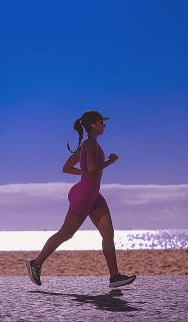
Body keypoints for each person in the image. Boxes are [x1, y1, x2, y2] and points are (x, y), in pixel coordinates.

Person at [26, 110, 136, 288]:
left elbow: (67, 167)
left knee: (108, 234)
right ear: (93, 124)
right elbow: (92, 170)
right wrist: (110, 161)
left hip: (93, 194)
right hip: (84, 195)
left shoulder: (88, 145)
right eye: (102, 122)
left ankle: (114, 276)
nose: (104, 125)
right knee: (66, 233)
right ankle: (35, 264)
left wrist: (83, 172)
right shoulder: (90, 145)